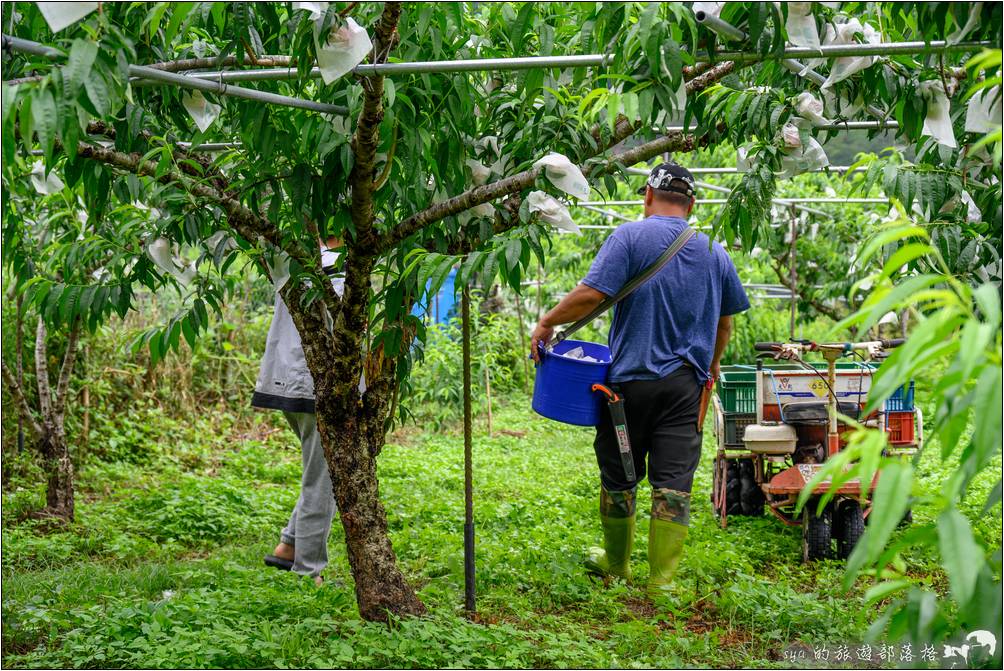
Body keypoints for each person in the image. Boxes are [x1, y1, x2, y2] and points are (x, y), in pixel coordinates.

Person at [530, 163, 750, 595]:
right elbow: (724, 324)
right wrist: (712, 363)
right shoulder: (713, 251)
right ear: (692, 204)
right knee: (673, 484)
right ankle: (661, 583)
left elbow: (593, 294)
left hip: (627, 389)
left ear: (648, 196)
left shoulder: (629, 237)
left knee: (619, 474)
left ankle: (616, 566)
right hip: (685, 388)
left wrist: (547, 323)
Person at [252, 240, 343, 586]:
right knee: (325, 476)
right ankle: (309, 570)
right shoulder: (340, 267)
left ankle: (289, 545)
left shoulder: (291, 257)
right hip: (315, 382)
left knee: (321, 468)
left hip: (286, 379)